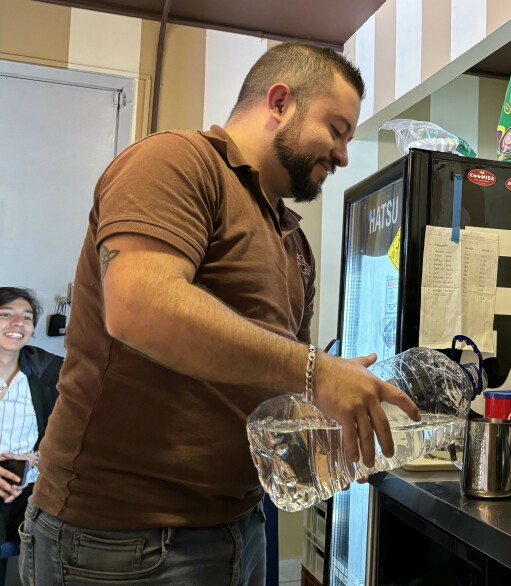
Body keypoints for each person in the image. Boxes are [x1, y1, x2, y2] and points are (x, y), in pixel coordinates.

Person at [23, 43, 420, 585]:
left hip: (239, 527)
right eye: (337, 129)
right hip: (119, 541)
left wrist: (336, 414)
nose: (344, 154)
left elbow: (276, 382)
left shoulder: (292, 239)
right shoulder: (177, 162)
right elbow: (139, 306)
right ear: (279, 101)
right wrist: (315, 371)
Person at [0, 288, 62, 544]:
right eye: (5, 314)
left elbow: (73, 435)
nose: (17, 323)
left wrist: (36, 458)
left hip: (34, 488)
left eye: (26, 317)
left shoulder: (50, 371)